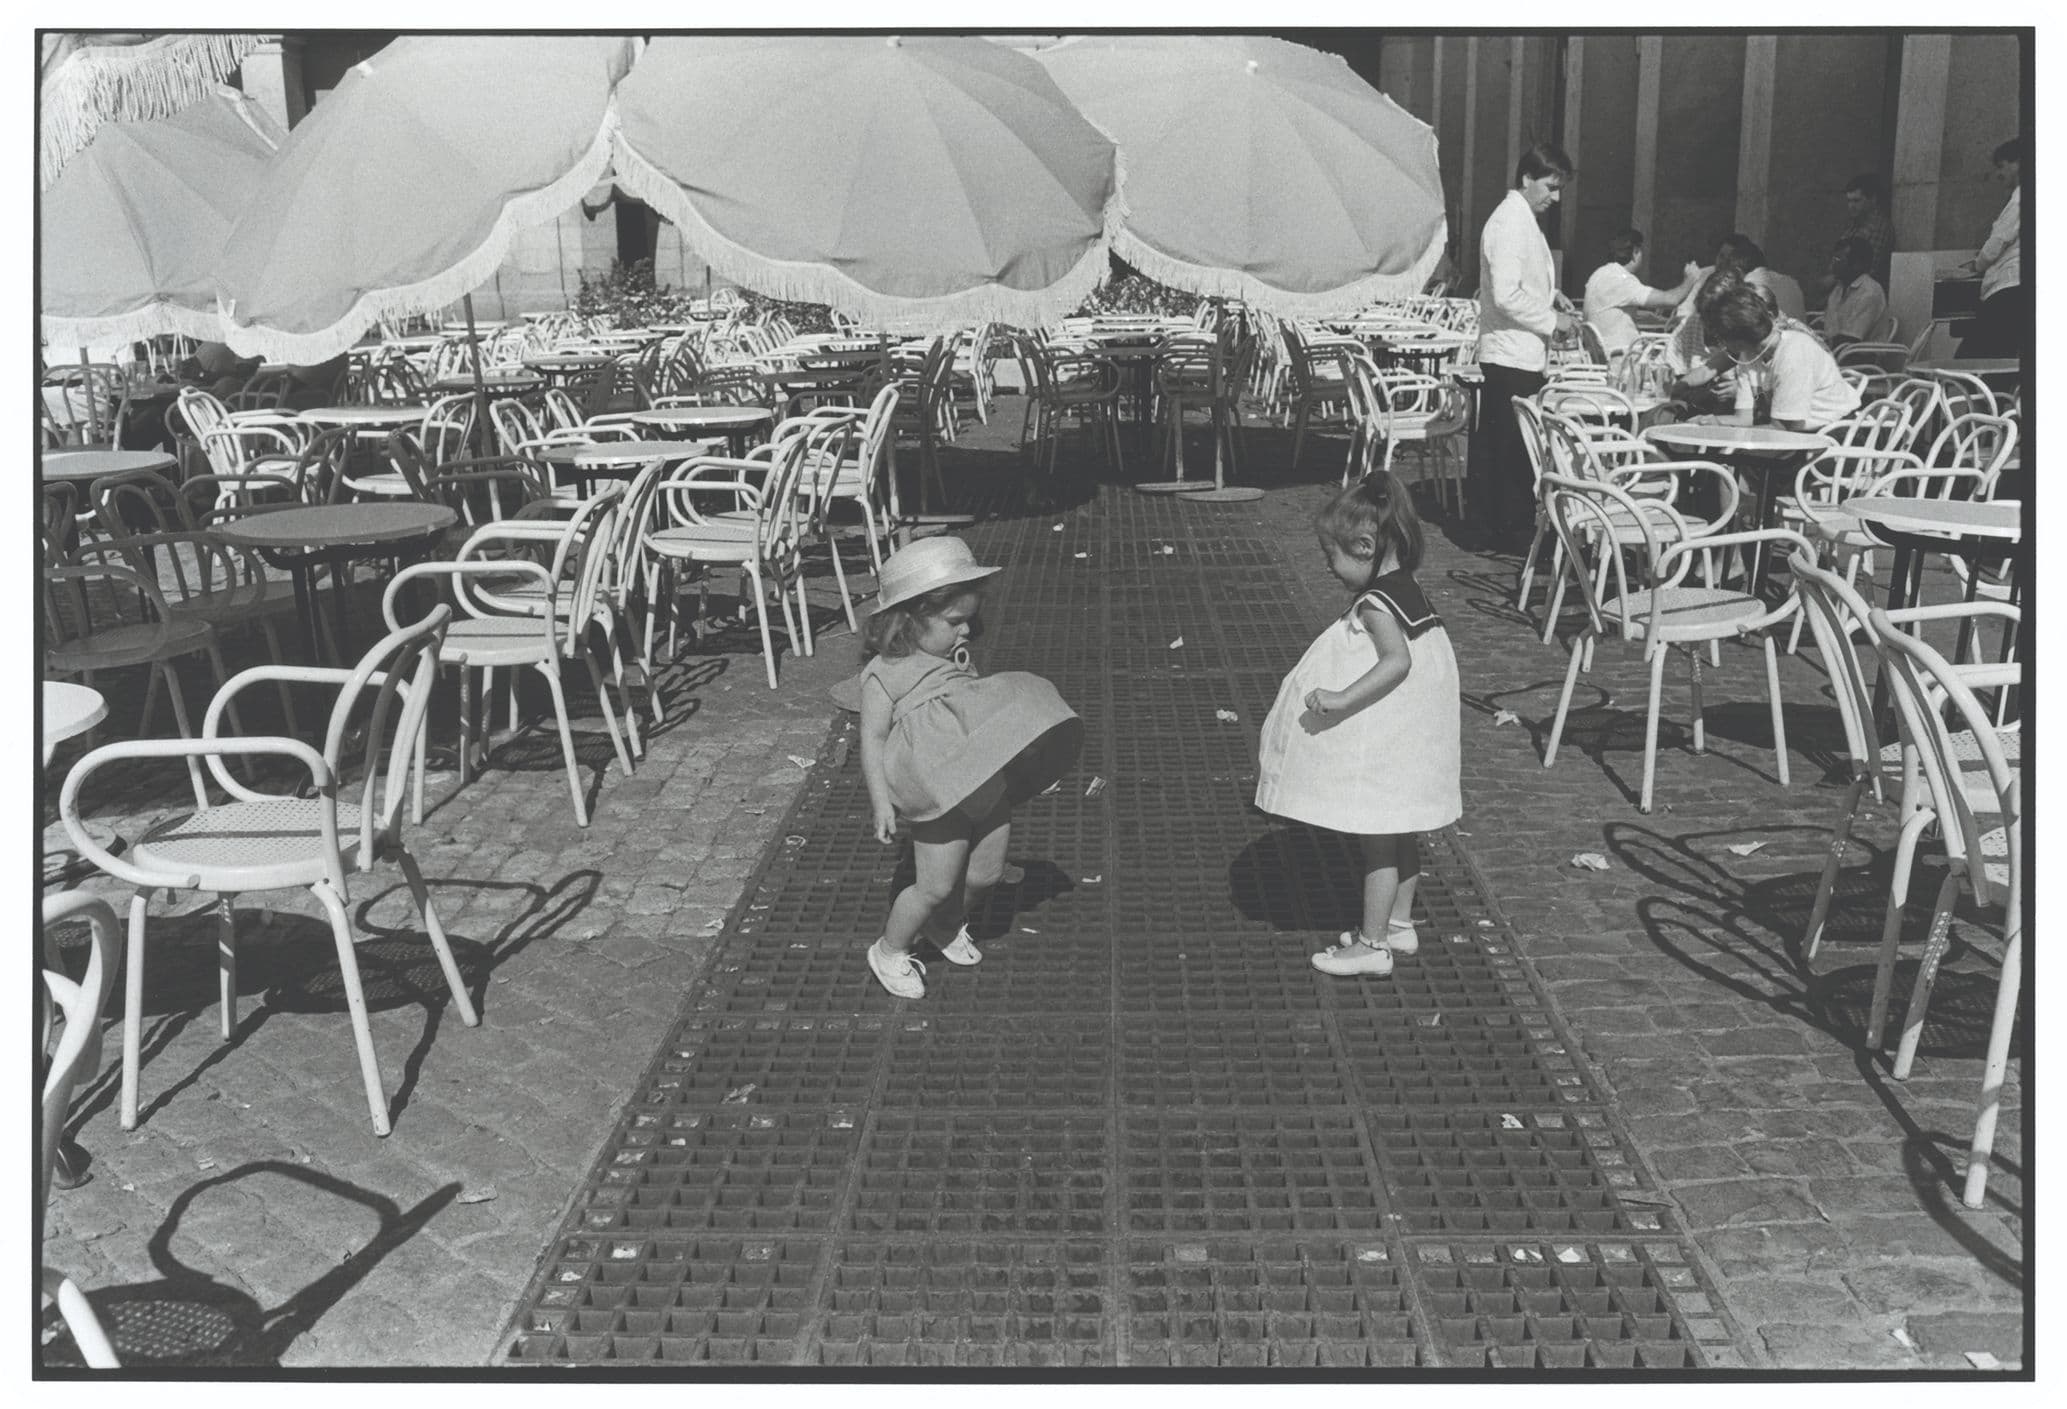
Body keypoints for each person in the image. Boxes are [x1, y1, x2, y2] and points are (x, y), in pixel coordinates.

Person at [855, 536, 1084, 999]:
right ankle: (891, 948)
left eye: (970, 620)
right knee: (933, 885)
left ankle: (945, 925)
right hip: (934, 792)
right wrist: (881, 799)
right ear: (910, 617)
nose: (966, 632)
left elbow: (975, 719)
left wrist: (1023, 751)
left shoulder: (952, 655)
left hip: (980, 784)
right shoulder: (886, 672)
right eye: (955, 621)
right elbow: (873, 736)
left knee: (986, 873)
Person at [1254, 472, 1462, 978]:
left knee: (1378, 841)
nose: (1330, 569)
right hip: (1412, 738)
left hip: (1391, 739)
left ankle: (1372, 945)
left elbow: (1396, 662)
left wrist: (1342, 698)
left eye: (1334, 558)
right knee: (1402, 828)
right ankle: (1398, 923)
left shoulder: (1376, 603)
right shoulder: (1408, 591)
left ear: (1367, 545)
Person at [1468, 142, 1577, 548]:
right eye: (1550, 186)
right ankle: (1508, 530)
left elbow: (1520, 284)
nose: (1556, 197)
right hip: (1511, 353)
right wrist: (1553, 320)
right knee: (1513, 449)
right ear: (1527, 179)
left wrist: (1551, 296)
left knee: (1510, 445)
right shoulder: (1510, 222)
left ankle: (1499, 525)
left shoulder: (1520, 218)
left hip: (1519, 352)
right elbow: (1506, 295)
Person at [1695, 282, 1860, 431]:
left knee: (1732, 456)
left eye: (1720, 337)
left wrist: (1728, 436)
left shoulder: (1794, 352)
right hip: (1794, 433)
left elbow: (1784, 429)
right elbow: (1744, 418)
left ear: (1736, 337)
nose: (1720, 344)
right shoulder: (1749, 354)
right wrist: (1713, 422)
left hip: (1835, 434)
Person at [1582, 228, 1701, 356]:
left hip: (1602, 353)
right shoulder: (1622, 281)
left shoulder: (1600, 273)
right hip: (1622, 358)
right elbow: (1672, 300)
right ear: (1635, 252)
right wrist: (1690, 279)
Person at [1958, 138, 2023, 358]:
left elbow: (1997, 242)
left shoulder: (2019, 198)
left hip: (2007, 290)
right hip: (2018, 288)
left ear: (2018, 163)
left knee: (1969, 358)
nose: (1998, 173)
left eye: (2001, 165)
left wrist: (1977, 264)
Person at [1821, 236, 1889, 346]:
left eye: (1838, 259)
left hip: (1857, 357)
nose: (1832, 264)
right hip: (1836, 352)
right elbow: (1829, 330)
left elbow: (1851, 339)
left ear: (1857, 265)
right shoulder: (1839, 288)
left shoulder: (1870, 292)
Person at [1838, 173, 1896, 291]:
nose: (1851, 206)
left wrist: (1833, 278)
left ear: (1873, 199)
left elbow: (1867, 270)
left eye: (1856, 201)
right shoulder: (1853, 225)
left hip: (1862, 293)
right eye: (1849, 201)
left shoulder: (1879, 227)